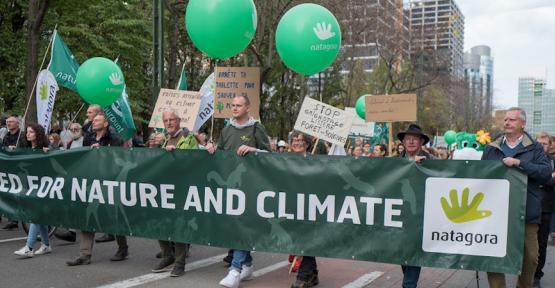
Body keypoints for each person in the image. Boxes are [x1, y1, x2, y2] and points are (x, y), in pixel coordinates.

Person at [206, 95, 271, 288]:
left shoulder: (256, 128)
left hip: (251, 186)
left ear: (247, 107)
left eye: (239, 105)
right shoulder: (227, 129)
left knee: (242, 224)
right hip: (231, 187)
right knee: (236, 226)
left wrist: (253, 149)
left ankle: (235, 270)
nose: (234, 108)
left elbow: (270, 154)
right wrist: (211, 149)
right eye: (232, 105)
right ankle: (247, 265)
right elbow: (222, 155)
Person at [482, 108, 551, 288]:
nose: (507, 123)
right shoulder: (491, 147)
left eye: (512, 120)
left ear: (523, 124)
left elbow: (545, 173)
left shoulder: (535, 147)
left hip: (526, 212)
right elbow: (479, 174)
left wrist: (520, 163)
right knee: (493, 257)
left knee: (531, 258)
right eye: (505, 119)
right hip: (494, 213)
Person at [67, 113, 129, 266]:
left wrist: (101, 151)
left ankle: (123, 248)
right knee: (88, 215)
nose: (93, 122)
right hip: (92, 181)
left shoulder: (115, 138)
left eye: (97, 120)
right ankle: (84, 254)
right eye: (92, 120)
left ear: (106, 123)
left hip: (110, 182)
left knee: (113, 216)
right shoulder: (88, 137)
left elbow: (119, 158)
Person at [151, 110, 198, 277]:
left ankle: (179, 263)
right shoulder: (162, 139)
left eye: (172, 120)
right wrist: (156, 148)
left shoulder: (188, 138)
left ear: (179, 121)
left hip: (182, 188)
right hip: (163, 188)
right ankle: (167, 255)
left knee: (179, 226)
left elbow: (194, 161)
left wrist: (176, 153)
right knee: (158, 222)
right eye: (165, 120)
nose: (169, 123)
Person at [397, 124, 433, 288]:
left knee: (413, 251)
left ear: (421, 142)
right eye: (407, 138)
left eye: (415, 138)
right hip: (398, 214)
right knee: (403, 253)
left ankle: (409, 285)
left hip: (421, 215)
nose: (411, 141)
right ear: (403, 142)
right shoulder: (394, 161)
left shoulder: (431, 161)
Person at [14, 123, 51, 258]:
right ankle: (46, 245)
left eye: (31, 132)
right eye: (27, 132)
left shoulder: (46, 148)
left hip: (44, 186)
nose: (28, 134)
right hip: (32, 186)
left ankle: (29, 247)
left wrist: (50, 153)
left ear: (38, 134)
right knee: (39, 218)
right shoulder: (27, 148)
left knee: (35, 215)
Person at [288, 131, 319, 288]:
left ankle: (303, 275)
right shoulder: (284, 160)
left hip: (310, 207)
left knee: (306, 238)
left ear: (307, 143)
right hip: (291, 206)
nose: (297, 142)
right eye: (294, 139)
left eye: (300, 140)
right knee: (298, 238)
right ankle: (312, 273)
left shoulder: (315, 161)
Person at [532, 132, 555, 288]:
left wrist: (543, 179)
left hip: (546, 209)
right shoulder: (529, 160)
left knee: (541, 245)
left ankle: (536, 276)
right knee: (525, 245)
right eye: (538, 143)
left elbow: (551, 182)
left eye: (544, 144)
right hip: (527, 207)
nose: (541, 146)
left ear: (550, 145)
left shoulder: (553, 161)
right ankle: (525, 272)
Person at [1, 116, 23, 230]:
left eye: (11, 122)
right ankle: (11, 219)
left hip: (20, 169)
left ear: (17, 123)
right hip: (9, 168)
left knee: (17, 193)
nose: (8, 124)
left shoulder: (22, 136)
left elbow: (27, 149)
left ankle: (16, 218)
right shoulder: (6, 136)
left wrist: (17, 149)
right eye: (7, 122)